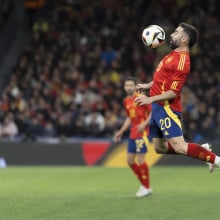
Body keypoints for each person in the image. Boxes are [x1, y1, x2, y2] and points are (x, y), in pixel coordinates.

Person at [135, 22, 220, 172]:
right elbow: (162, 78)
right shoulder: (173, 54)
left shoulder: (183, 62)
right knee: (159, 148)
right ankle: (202, 151)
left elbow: (174, 92)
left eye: (176, 32)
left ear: (184, 40)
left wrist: (149, 99)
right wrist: (148, 86)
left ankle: (216, 160)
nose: (172, 34)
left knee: (180, 147)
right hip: (157, 106)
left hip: (166, 107)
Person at [114, 77, 152, 197]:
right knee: (130, 161)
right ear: (124, 88)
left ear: (136, 87)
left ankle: (146, 187)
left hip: (143, 133)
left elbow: (153, 112)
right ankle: (144, 185)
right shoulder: (126, 101)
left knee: (140, 160)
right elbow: (129, 118)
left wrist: (144, 124)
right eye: (127, 85)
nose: (129, 87)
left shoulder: (141, 98)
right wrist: (121, 131)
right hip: (133, 134)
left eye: (131, 85)